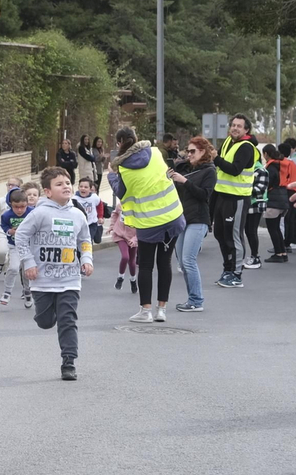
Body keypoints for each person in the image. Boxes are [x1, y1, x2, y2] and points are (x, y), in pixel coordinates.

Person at [17, 167, 95, 381]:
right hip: (42, 280)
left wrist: (86, 260)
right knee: (44, 321)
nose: (66, 186)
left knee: (68, 319)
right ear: (48, 192)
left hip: (70, 279)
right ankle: (46, 315)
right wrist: (29, 262)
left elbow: (85, 240)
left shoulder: (78, 214)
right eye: (59, 184)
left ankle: (68, 362)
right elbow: (21, 237)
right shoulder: (40, 213)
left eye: (68, 182)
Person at [108, 126, 187, 322]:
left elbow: (122, 193)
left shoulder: (124, 168)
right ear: (136, 138)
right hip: (172, 215)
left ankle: (146, 311)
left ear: (119, 144)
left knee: (145, 266)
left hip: (148, 222)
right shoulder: (155, 152)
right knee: (165, 263)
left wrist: (111, 175)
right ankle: (162, 310)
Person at [212, 115, 259, 287]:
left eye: (239, 126)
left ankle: (237, 274)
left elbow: (235, 170)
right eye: (233, 125)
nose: (235, 128)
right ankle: (228, 268)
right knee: (220, 234)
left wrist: (216, 158)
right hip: (222, 195)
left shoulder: (246, 147)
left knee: (234, 236)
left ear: (246, 130)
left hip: (238, 198)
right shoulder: (228, 142)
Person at [171, 137, 217, 312]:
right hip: (183, 219)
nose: (188, 154)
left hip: (198, 219)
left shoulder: (209, 171)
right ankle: (192, 299)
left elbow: (205, 195)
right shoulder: (189, 168)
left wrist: (185, 182)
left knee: (189, 261)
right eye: (187, 151)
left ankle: (196, 301)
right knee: (182, 263)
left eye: (193, 151)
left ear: (203, 152)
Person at [0, 189, 31, 307]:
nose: (20, 210)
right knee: (13, 268)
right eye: (16, 207)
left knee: (27, 271)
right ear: (11, 204)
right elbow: (4, 226)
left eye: (23, 207)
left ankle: (27, 291)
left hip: (29, 247)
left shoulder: (32, 213)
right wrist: (9, 231)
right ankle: (7, 292)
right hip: (14, 246)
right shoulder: (6, 215)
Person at [260, 143, 289, 262]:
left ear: (266, 154)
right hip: (283, 197)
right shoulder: (279, 165)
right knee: (276, 228)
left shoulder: (271, 168)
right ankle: (283, 253)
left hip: (273, 201)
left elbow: (268, 184)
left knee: (272, 228)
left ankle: (278, 253)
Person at [0, 176, 24, 274]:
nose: (10, 187)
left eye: (14, 185)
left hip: (18, 232)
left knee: (13, 253)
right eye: (9, 184)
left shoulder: (23, 201)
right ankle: (0, 263)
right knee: (1, 250)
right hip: (2, 230)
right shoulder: (1, 201)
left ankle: (9, 269)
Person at [244, 150, 269, 269]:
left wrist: (244, 189)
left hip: (256, 204)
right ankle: (253, 256)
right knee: (248, 231)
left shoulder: (261, 171)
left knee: (251, 231)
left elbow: (260, 189)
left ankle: (255, 257)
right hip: (248, 204)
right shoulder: (248, 169)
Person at [108, 198, 138, 294]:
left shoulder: (140, 208)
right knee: (125, 257)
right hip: (120, 234)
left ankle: (133, 280)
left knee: (132, 261)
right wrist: (112, 226)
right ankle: (120, 277)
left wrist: (135, 239)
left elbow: (143, 226)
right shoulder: (121, 204)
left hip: (133, 237)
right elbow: (115, 214)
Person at [280, 139, 296, 251]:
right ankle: (295, 240)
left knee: (292, 217)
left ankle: (294, 240)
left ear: (294, 148)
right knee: (294, 216)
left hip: (294, 191)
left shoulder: (294, 160)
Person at [73, 177, 104, 243]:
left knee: (87, 241)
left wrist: (100, 217)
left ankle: (88, 252)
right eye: (81, 186)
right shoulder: (74, 199)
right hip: (79, 224)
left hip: (91, 223)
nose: (83, 188)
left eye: (86, 187)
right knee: (79, 242)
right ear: (78, 188)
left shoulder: (94, 197)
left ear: (90, 189)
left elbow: (100, 205)